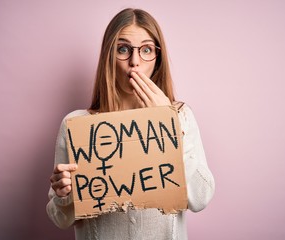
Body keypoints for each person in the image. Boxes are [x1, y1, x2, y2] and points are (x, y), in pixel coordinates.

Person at [47, 8, 215, 240]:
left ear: (157, 58)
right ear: (109, 55)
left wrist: (167, 123)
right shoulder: (77, 125)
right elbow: (61, 219)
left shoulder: (181, 116)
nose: (134, 62)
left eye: (146, 50)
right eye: (123, 49)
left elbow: (200, 197)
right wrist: (63, 194)